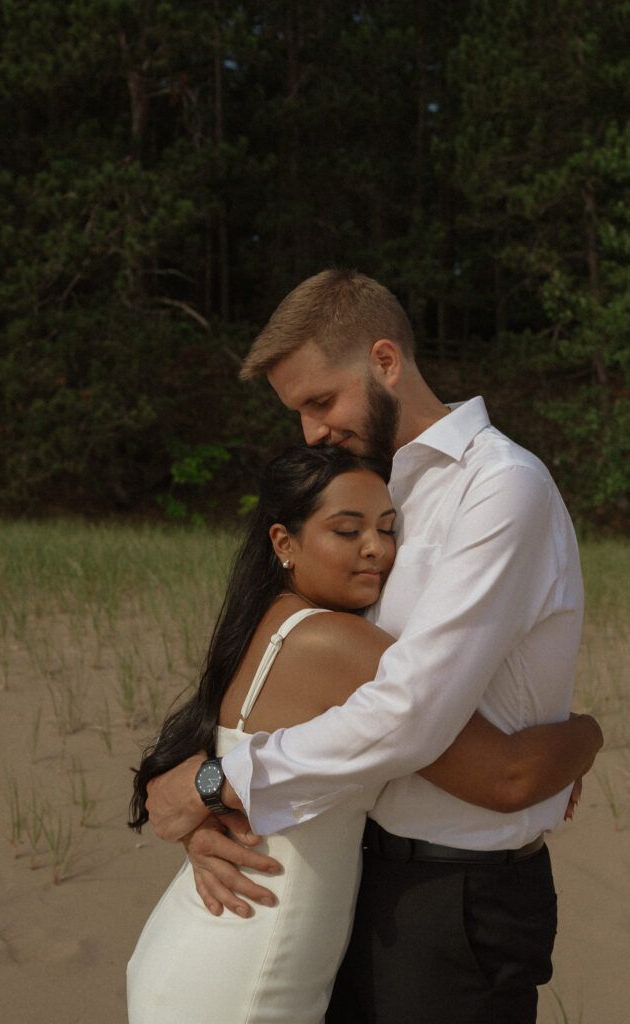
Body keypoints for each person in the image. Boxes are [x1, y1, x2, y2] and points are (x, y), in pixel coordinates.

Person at [144, 270, 603, 1024]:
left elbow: (411, 715)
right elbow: (284, 669)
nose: (311, 432)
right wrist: (214, 814)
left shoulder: (499, 487)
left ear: (385, 361)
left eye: (321, 401)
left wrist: (219, 782)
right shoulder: (370, 493)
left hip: (458, 898)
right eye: (298, 412)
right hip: (353, 884)